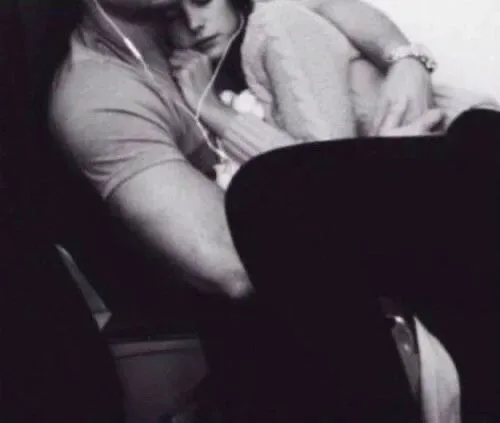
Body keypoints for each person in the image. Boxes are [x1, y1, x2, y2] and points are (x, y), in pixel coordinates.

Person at [48, 0, 492, 421]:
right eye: (180, 13)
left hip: (470, 148)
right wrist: (372, 170)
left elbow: (311, 169)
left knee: (269, 194)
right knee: (266, 216)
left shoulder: (268, 26)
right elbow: (233, 265)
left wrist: (406, 59)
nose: (192, 22)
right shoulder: (100, 95)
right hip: (415, 235)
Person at [166, 0, 499, 187]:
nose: (193, 23)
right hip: (444, 173)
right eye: (173, 16)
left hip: (467, 158)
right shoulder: (229, 79)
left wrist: (217, 114)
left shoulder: (272, 25)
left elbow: (326, 177)